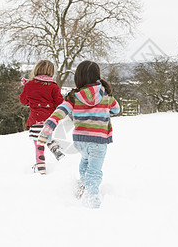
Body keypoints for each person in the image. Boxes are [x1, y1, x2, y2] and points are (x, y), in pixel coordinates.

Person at [37, 60, 120, 208]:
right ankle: (91, 200)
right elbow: (116, 110)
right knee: (94, 171)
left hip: (80, 142)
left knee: (85, 163)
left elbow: (59, 112)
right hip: (98, 142)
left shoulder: (74, 97)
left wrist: (48, 126)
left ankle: (81, 187)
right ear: (98, 76)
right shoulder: (106, 95)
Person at [19, 60, 65, 175]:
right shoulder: (53, 86)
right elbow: (60, 103)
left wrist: (27, 89)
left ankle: (41, 171)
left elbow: (23, 101)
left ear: (37, 69)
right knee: (46, 136)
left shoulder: (29, 85)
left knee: (39, 145)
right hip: (50, 120)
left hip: (35, 120)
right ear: (51, 72)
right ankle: (53, 146)